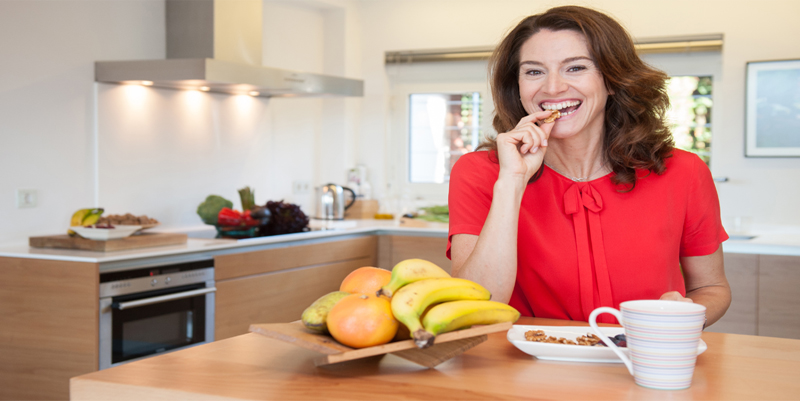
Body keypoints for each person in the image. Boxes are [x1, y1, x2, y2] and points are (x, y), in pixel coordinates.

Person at [447, 5, 731, 326]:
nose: (553, 87)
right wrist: (511, 183)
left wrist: (679, 318)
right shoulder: (481, 172)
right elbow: (474, 305)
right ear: (518, 86)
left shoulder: (684, 171)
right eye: (534, 71)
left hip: (639, 361)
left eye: (576, 68)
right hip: (522, 366)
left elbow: (711, 287)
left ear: (612, 79)